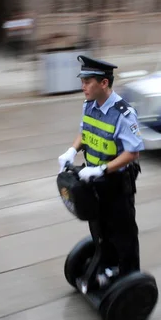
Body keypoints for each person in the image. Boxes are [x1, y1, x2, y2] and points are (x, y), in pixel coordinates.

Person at [58, 55, 144, 284]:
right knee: (99, 229)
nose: (83, 86)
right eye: (83, 81)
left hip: (116, 184)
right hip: (93, 180)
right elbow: (84, 134)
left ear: (104, 83)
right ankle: (106, 266)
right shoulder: (89, 105)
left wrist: (102, 169)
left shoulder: (123, 113)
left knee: (123, 234)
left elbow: (133, 152)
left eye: (88, 81)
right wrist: (71, 150)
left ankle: (129, 279)